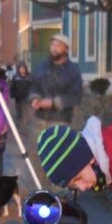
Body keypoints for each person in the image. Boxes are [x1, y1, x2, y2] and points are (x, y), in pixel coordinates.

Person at [29, 35, 83, 188]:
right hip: (39, 120)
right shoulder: (41, 66)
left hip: (60, 120)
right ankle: (39, 191)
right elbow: (33, 86)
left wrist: (53, 102)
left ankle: (58, 196)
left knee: (59, 158)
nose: (54, 47)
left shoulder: (73, 71)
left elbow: (75, 97)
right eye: (52, 44)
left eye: (58, 45)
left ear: (66, 48)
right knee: (36, 156)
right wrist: (34, 98)